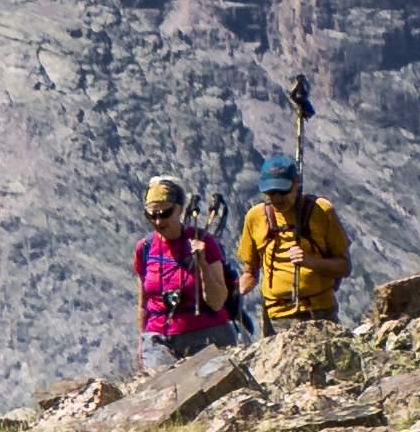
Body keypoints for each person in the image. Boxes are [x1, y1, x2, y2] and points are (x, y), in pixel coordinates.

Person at [239, 152, 354, 326]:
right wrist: (236, 291)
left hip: (319, 312)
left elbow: (344, 267)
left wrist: (309, 262)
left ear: (297, 183)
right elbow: (250, 272)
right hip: (275, 317)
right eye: (270, 192)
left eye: (283, 191)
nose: (277, 198)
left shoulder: (321, 211)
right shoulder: (255, 217)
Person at [135, 177, 242, 361]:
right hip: (159, 340)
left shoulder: (205, 242)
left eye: (165, 213)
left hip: (207, 335)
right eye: (151, 215)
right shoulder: (144, 248)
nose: (158, 221)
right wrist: (142, 342)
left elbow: (217, 302)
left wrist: (202, 266)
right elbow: (144, 303)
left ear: (179, 209)